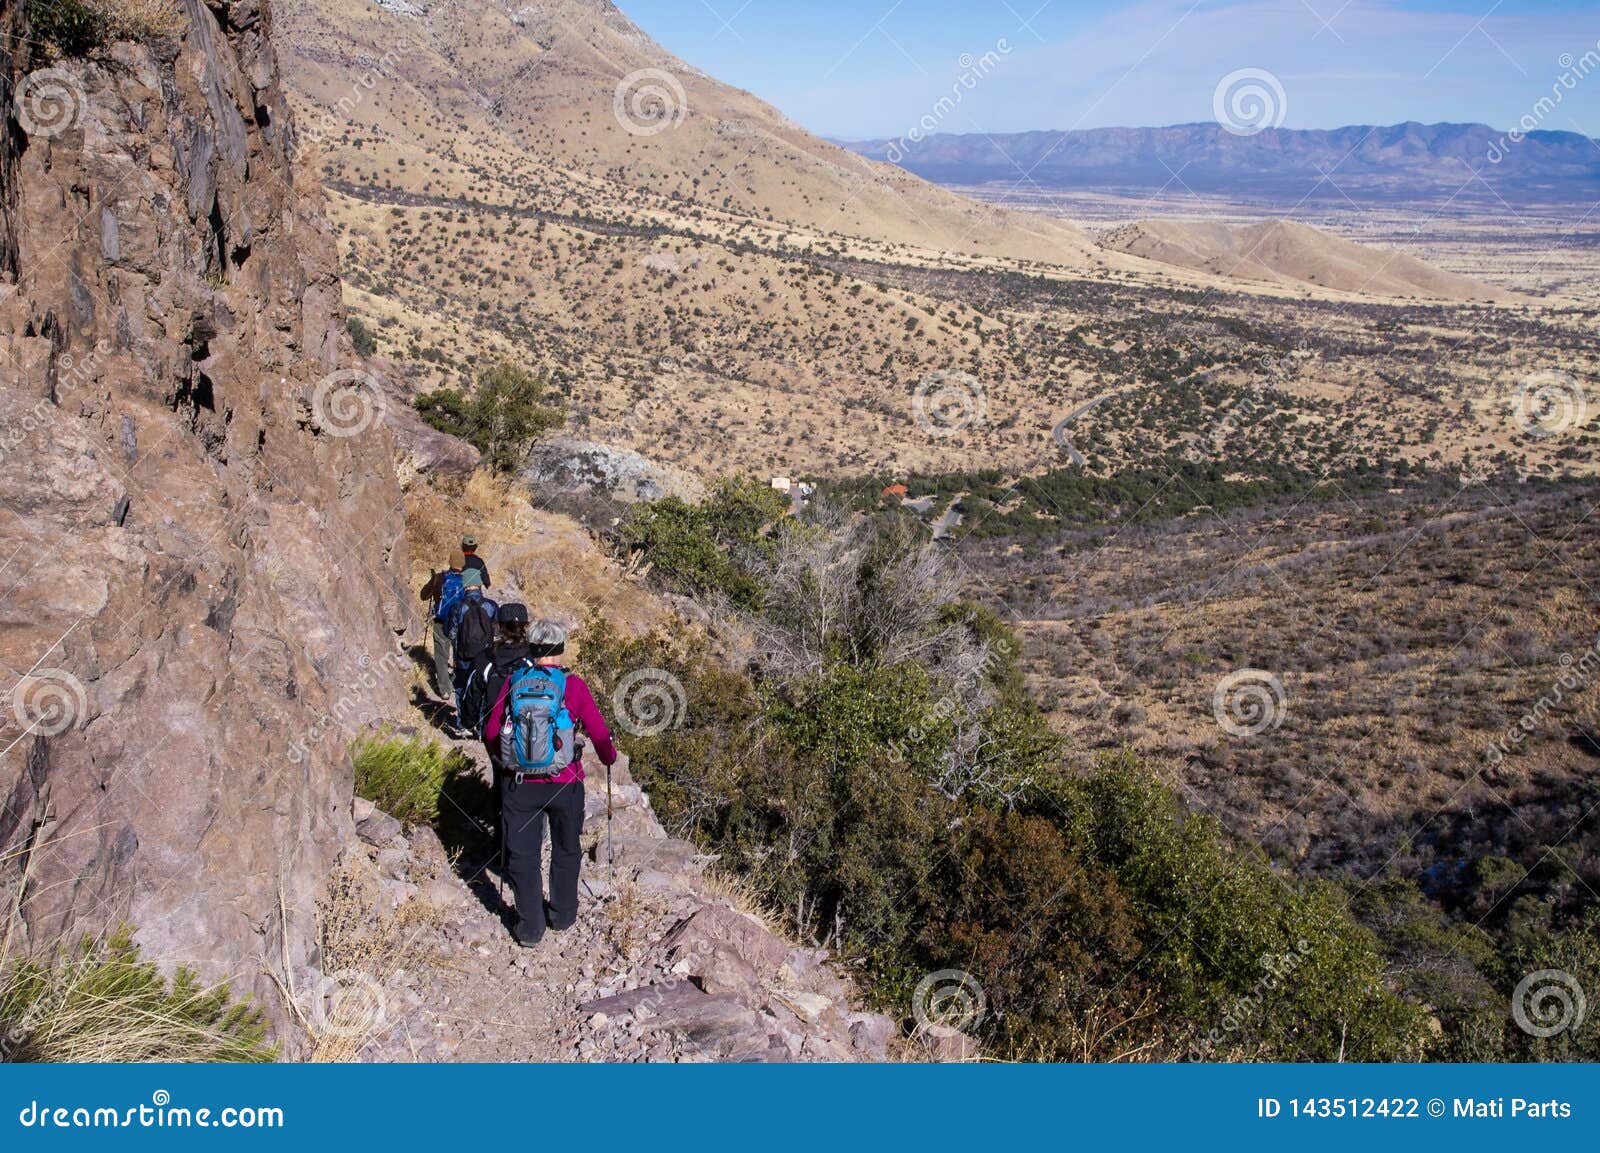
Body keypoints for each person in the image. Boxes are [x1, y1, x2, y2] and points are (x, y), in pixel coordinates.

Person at [483, 620, 617, 947]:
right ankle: (563, 914)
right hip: (565, 782)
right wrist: (608, 757)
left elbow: (490, 732)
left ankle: (530, 927)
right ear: (560, 650)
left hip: (520, 784)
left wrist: (505, 762)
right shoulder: (574, 686)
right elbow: (599, 733)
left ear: (532, 648)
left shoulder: (514, 682)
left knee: (523, 854)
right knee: (567, 849)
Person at [447, 569, 498, 737]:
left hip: (463, 657)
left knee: (462, 688)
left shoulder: (458, 607)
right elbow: (497, 633)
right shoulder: (490, 606)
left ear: (465, 584)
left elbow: (451, 633)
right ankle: (482, 726)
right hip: (486, 658)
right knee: (483, 689)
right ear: (479, 584)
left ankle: (463, 725)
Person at [419, 550, 467, 714]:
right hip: (459, 623)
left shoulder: (440, 578)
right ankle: (456, 682)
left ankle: (445, 689)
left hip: (440, 622)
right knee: (459, 654)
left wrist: (433, 585)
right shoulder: (468, 581)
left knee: (440, 655)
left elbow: (423, 596)